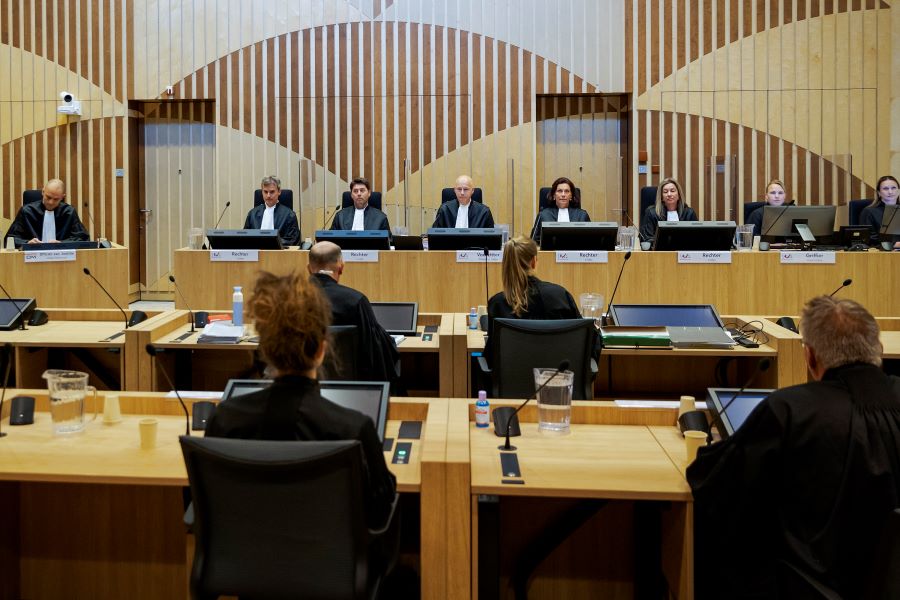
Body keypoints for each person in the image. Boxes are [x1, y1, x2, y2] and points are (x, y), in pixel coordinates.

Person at [687, 296, 900, 599]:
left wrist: (700, 439)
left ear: (810, 357)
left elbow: (713, 483)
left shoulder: (790, 410)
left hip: (809, 585)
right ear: (877, 350)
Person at [204, 270, 397, 533]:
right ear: (321, 350)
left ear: (265, 350)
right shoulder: (352, 428)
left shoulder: (224, 419)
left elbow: (206, 504)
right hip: (331, 569)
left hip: (243, 568)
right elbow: (379, 511)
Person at [307, 241, 401, 388]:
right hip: (350, 390)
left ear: (308, 269)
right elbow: (376, 351)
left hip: (297, 389)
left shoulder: (288, 300)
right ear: (341, 267)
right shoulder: (355, 301)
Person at [485, 236, 580, 363]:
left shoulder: (497, 304)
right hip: (558, 378)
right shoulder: (560, 296)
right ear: (534, 261)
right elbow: (585, 338)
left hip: (513, 381)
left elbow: (492, 354)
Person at [4, 179, 89, 247]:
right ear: (43, 192)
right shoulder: (27, 211)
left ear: (62, 197)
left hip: (62, 258)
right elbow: (10, 239)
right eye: (48, 197)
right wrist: (27, 242)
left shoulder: (69, 212)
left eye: (56, 199)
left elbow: (83, 238)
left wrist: (62, 243)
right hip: (31, 259)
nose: (51, 202)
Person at [530, 176, 591, 244]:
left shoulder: (582, 215)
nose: (563, 194)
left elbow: (591, 240)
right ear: (553, 195)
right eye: (559, 191)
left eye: (567, 191)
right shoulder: (543, 215)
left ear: (571, 196)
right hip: (550, 253)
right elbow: (533, 242)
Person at [242, 175, 300, 246]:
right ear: (262, 192)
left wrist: (270, 243)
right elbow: (244, 238)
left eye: (272, 192)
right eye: (265, 192)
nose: (268, 195)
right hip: (256, 254)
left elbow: (293, 241)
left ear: (279, 192)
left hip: (279, 254)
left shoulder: (289, 215)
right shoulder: (252, 214)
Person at [638, 177, 697, 244]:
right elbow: (647, 239)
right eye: (665, 192)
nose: (669, 194)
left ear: (679, 195)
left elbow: (696, 238)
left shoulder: (689, 213)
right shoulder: (651, 213)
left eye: (672, 191)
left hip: (684, 253)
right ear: (661, 197)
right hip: (659, 253)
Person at [860, 175, 900, 248]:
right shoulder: (869, 212)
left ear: (898, 190)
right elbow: (869, 240)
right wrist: (894, 245)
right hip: (881, 254)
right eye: (885, 189)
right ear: (879, 192)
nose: (890, 192)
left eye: (893, 188)